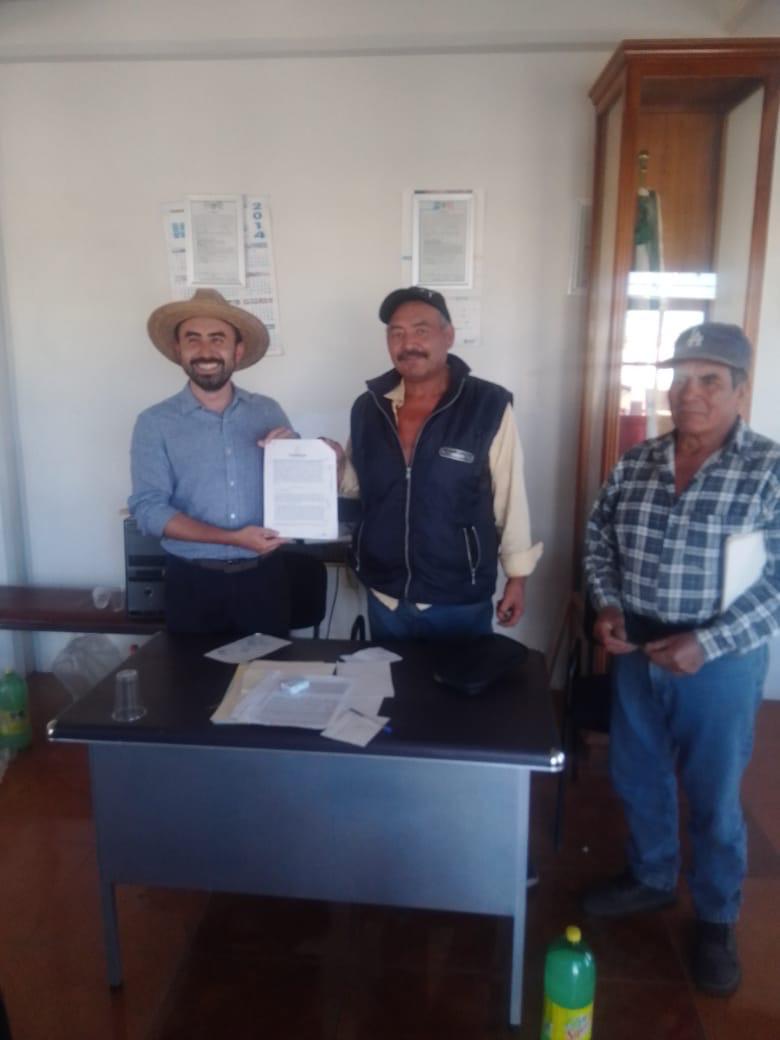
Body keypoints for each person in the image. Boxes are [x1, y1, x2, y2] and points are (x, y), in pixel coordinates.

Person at [582, 322, 780, 996]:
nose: (689, 393)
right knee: (637, 773)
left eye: (709, 380)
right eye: (680, 378)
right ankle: (652, 875)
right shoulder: (637, 461)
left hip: (718, 661)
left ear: (740, 390)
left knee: (714, 795)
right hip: (636, 649)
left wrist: (708, 643)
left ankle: (718, 917)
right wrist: (609, 606)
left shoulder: (768, 469)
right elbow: (599, 538)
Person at [341, 286, 542, 641]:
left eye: (421, 330)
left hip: (458, 597)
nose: (408, 343)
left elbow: (510, 497)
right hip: (385, 595)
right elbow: (357, 486)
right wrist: (331, 463)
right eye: (396, 333)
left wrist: (517, 577)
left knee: (460, 680)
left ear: (448, 335)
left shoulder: (488, 405)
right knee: (391, 679)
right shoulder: (367, 408)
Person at [129, 289, 294, 636]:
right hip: (191, 584)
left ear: (237, 351)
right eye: (193, 339)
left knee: (268, 670)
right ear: (179, 350)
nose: (205, 351)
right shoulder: (154, 423)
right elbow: (149, 510)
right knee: (192, 673)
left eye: (217, 339)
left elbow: (297, 487)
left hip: (265, 581)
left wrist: (315, 455)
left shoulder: (268, 411)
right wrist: (232, 538)